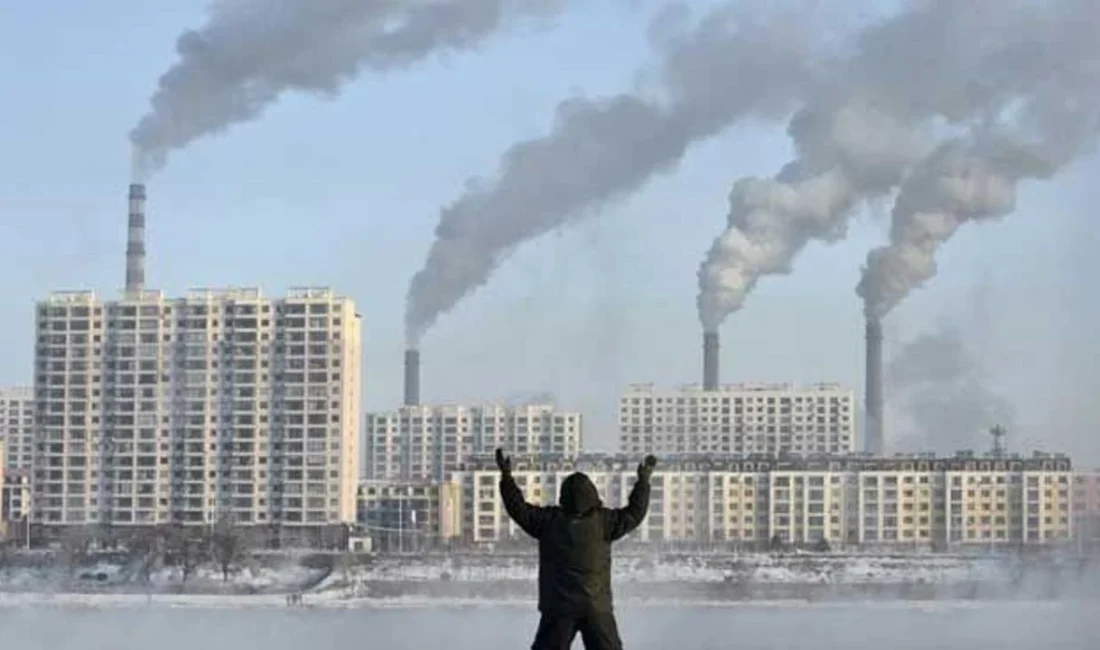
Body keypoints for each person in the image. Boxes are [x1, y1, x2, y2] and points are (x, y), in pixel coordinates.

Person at [495, 448, 657, 650]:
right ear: (593, 494)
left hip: (559, 608)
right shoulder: (605, 522)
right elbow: (635, 512)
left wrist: (506, 477)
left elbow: (518, 508)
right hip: (597, 608)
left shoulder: (549, 522)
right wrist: (643, 481)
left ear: (563, 496)